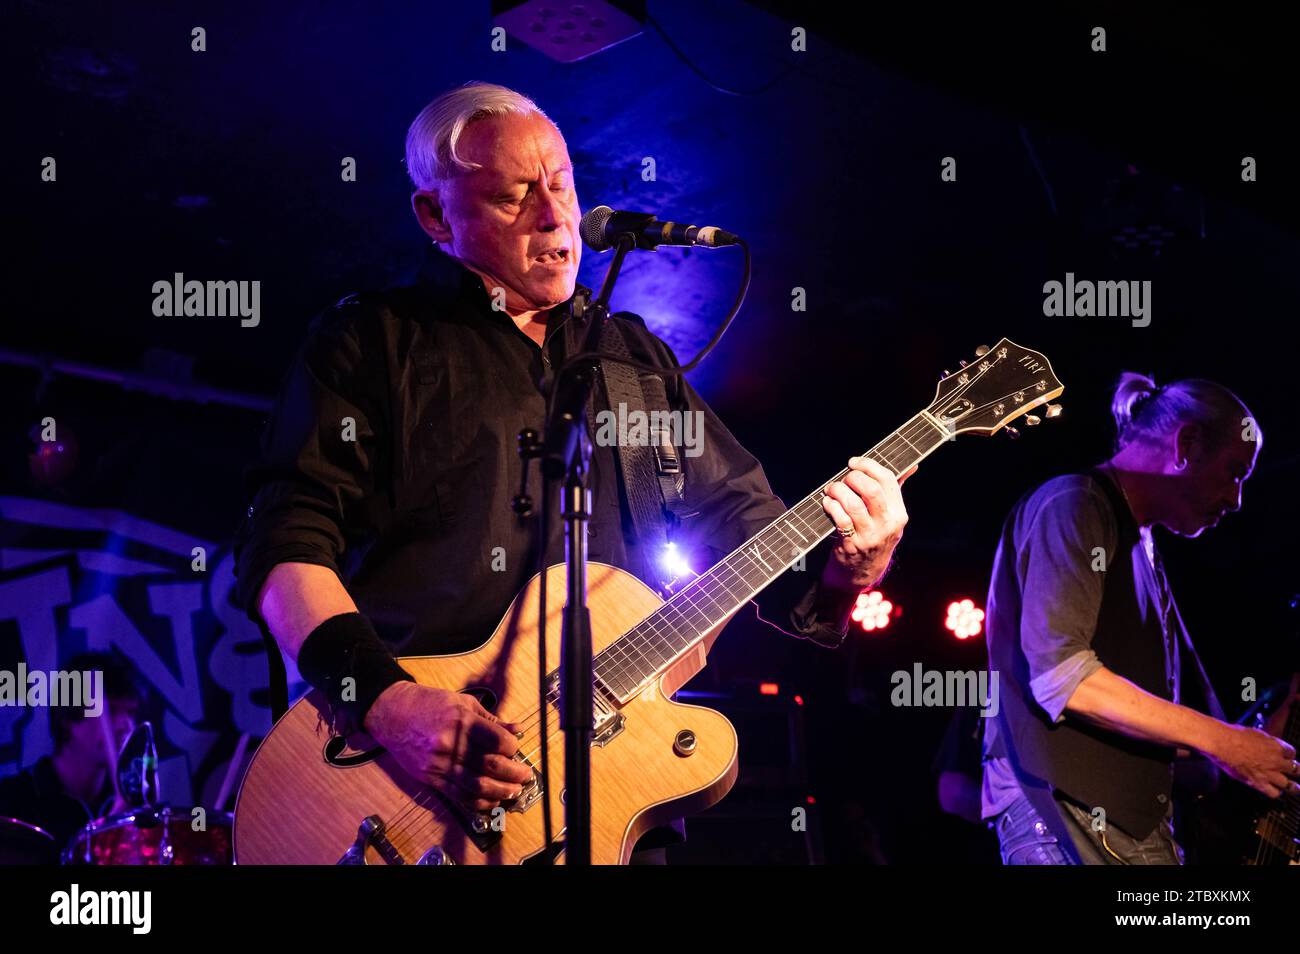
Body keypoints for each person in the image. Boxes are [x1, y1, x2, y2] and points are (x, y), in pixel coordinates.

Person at [233, 82, 909, 859]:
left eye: (560, 183)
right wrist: (386, 704)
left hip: (609, 794)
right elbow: (284, 546)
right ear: (434, 216)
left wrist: (853, 566)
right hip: (392, 785)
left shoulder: (633, 358)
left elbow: (751, 533)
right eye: (513, 197)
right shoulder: (368, 341)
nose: (555, 218)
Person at [981, 372, 1299, 864]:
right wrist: (1224, 742)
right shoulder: (1074, 504)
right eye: (1234, 472)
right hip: (1064, 812)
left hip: (1118, 820)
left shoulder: (1144, 546)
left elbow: (1165, 725)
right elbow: (1065, 681)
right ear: (1187, 444)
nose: (1236, 500)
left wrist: (1254, 749)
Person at [0, 652, 142, 850]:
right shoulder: (13, 802)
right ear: (68, 718)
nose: (125, 726)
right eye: (112, 711)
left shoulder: (133, 800)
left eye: (130, 713)